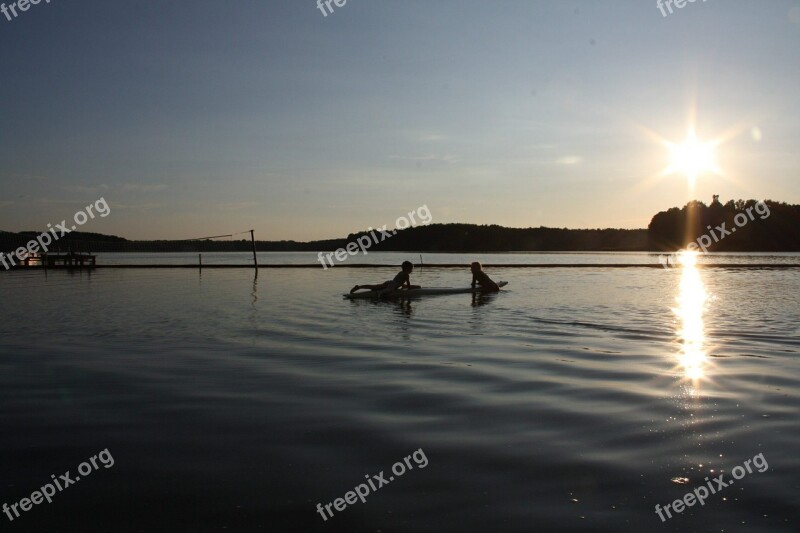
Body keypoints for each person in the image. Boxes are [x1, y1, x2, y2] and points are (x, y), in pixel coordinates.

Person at [350, 261, 419, 295]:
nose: (411, 271)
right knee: (389, 290)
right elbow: (409, 287)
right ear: (408, 269)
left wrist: (404, 286)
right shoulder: (407, 275)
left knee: (374, 286)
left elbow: (401, 284)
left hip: (390, 282)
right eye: (411, 269)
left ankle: (359, 287)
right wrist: (414, 287)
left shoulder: (400, 272)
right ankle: (379, 293)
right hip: (392, 285)